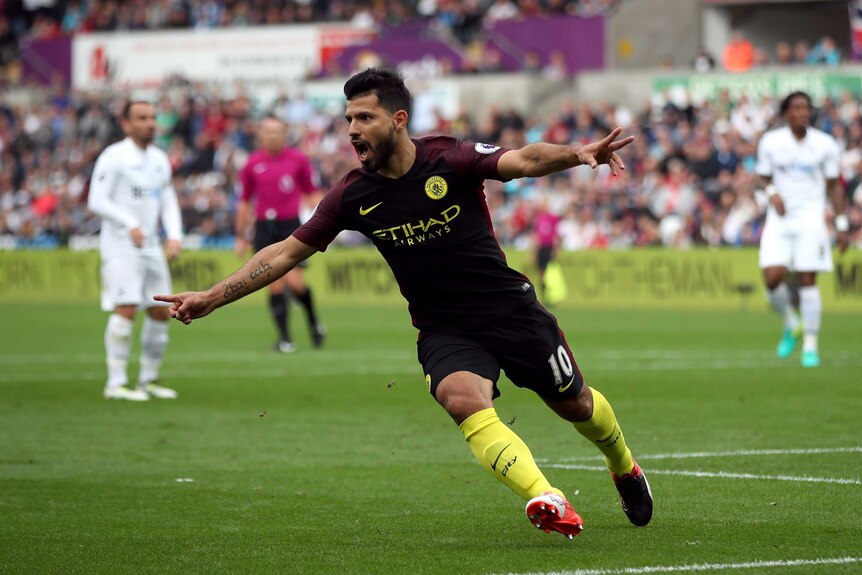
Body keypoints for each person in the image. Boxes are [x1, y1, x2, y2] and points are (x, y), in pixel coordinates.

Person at [156, 68, 652, 538]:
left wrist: (577, 152)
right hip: (444, 327)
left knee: (576, 405)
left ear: (398, 120)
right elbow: (286, 252)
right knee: (461, 398)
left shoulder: (450, 158)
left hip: (510, 311)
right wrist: (213, 297)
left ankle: (622, 465)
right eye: (348, 119)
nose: (352, 129)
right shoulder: (352, 194)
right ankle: (547, 498)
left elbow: (523, 160)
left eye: (364, 118)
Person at [88, 101, 183, 401]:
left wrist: (176, 235)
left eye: (153, 118)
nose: (150, 123)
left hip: (151, 243)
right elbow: (97, 200)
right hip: (120, 243)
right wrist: (129, 222)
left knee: (160, 311)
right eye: (142, 118)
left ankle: (148, 379)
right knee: (126, 308)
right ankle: (115, 384)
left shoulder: (158, 158)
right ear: (126, 124)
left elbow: (167, 200)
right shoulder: (114, 157)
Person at [755, 91, 849, 368]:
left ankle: (810, 344)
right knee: (772, 278)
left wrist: (842, 224)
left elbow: (834, 186)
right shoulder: (771, 142)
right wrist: (772, 192)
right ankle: (790, 323)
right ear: (786, 113)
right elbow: (762, 176)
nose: (803, 112)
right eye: (796, 108)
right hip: (779, 219)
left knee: (808, 280)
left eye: (806, 108)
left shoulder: (825, 144)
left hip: (810, 219)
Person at [235, 116, 325, 352]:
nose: (273, 135)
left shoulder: (298, 160)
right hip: (264, 227)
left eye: (277, 131)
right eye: (268, 131)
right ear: (260, 135)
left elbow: (312, 192)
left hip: (290, 227)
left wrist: (326, 223)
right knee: (273, 284)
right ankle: (285, 339)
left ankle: (314, 321)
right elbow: (244, 201)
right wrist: (241, 235)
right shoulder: (252, 163)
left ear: (284, 134)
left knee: (296, 284)